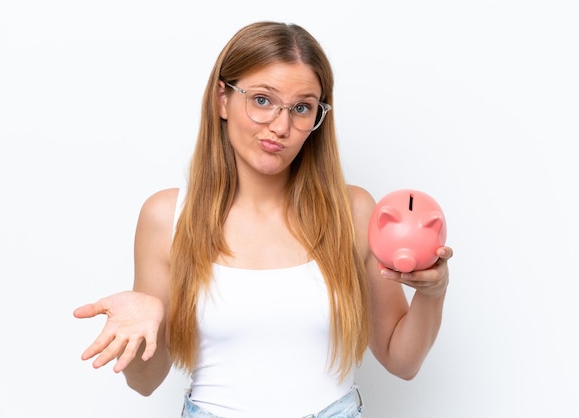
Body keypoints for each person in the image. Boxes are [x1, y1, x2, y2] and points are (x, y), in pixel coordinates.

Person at [73, 21, 453, 418]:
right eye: (261, 100)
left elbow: (402, 361)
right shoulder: (168, 217)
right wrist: (137, 335)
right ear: (223, 99)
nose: (281, 126)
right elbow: (145, 382)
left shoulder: (353, 211)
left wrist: (433, 292)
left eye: (302, 108)